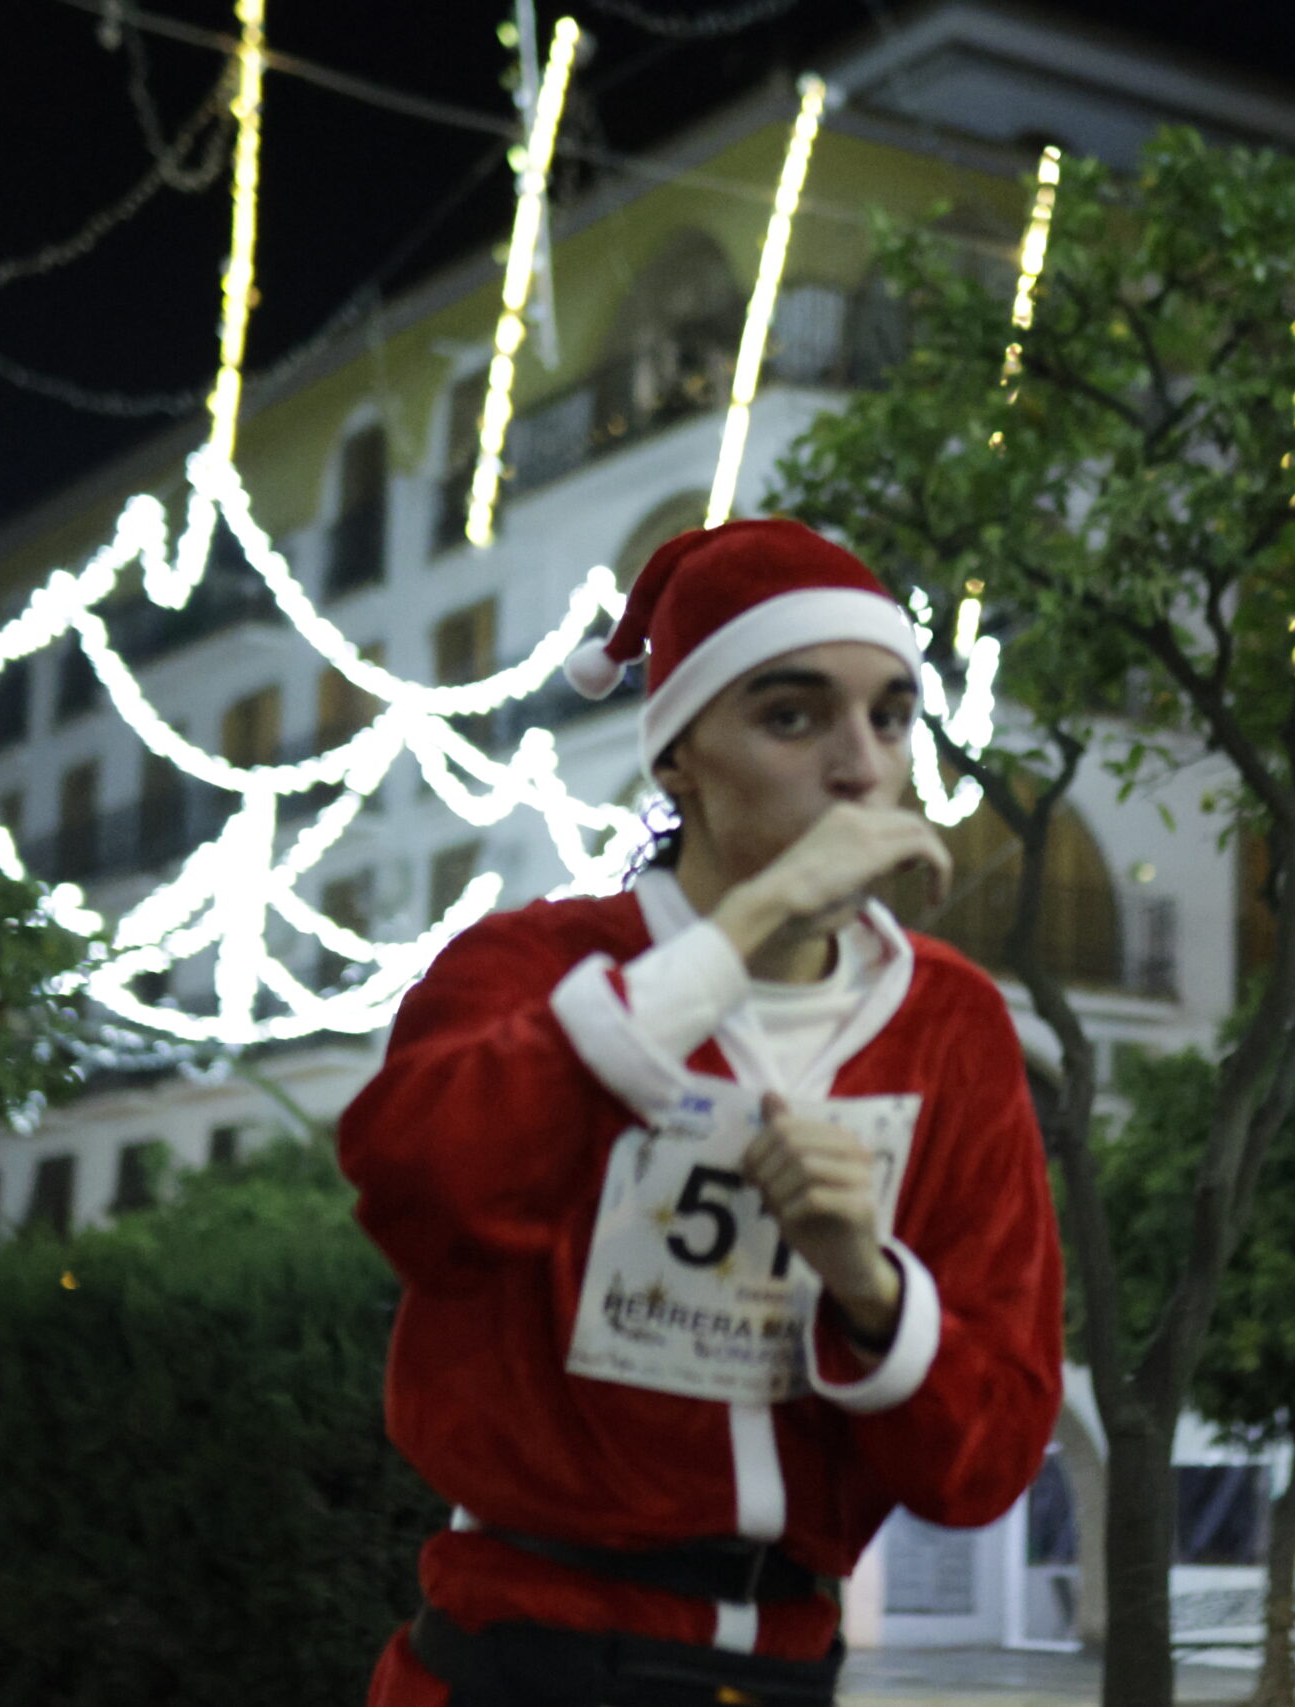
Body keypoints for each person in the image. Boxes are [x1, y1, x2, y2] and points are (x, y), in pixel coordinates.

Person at [338, 518, 1066, 1707]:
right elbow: (422, 1193)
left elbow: (984, 1464)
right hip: (521, 1660)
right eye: (793, 717)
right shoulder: (528, 969)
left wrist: (870, 1289)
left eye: (890, 717)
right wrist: (734, 940)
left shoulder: (952, 1025)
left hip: (782, 1670)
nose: (860, 766)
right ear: (677, 758)